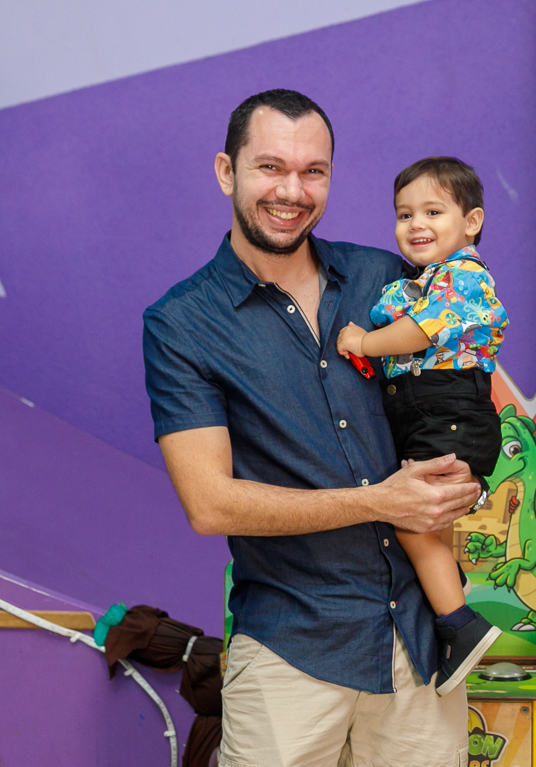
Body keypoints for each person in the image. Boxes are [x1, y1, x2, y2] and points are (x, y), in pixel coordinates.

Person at [143, 89, 479, 767]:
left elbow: (457, 383)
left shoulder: (386, 278)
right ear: (227, 171)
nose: (292, 191)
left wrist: (464, 469)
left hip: (422, 647)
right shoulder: (182, 324)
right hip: (291, 651)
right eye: (270, 167)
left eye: (313, 172)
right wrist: (380, 501)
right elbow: (210, 504)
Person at [336, 156, 506, 696]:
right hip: (433, 416)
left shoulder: (464, 275)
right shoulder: (424, 279)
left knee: (412, 521)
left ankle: (459, 623)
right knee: (424, 522)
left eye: (433, 212)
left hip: (450, 414)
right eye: (404, 214)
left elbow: (421, 331)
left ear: (471, 222)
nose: (416, 224)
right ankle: (450, 601)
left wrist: (364, 342)